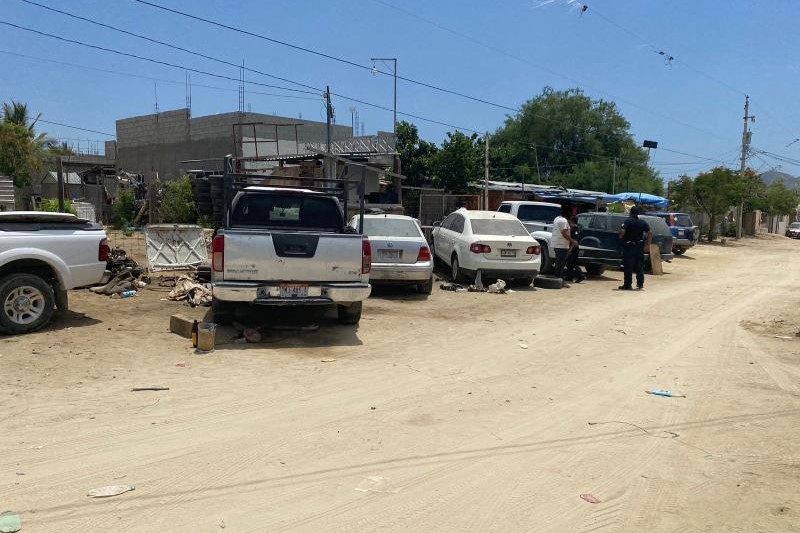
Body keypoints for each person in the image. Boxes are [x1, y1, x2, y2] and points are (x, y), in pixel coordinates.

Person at [618, 206, 652, 290]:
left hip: (629, 247)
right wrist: (647, 244)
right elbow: (650, 232)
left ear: (631, 213)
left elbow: (622, 231)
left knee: (628, 266)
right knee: (639, 266)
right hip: (639, 247)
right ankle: (640, 284)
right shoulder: (642, 222)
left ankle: (627, 285)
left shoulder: (627, 221)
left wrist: (620, 237)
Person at [552, 207, 577, 285]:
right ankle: (560, 281)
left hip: (555, 244)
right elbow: (564, 233)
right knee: (561, 264)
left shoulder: (557, 218)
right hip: (561, 245)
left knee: (558, 263)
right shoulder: (564, 221)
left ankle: (558, 280)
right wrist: (573, 241)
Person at [564, 216, 586, 283]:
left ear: (572, 221)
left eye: (570, 221)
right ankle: (569, 277)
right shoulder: (578, 228)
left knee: (573, 263)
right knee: (569, 263)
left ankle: (581, 275)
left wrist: (570, 250)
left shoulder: (574, 229)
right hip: (574, 248)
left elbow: (575, 242)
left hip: (574, 248)